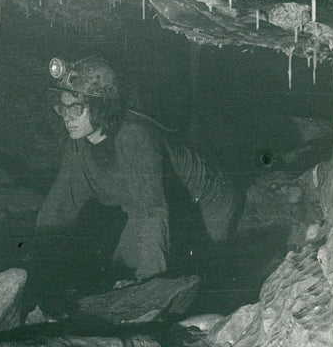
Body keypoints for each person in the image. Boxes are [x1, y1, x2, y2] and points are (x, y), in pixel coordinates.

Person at [37, 56, 239, 286]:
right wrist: (39, 266)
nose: (66, 117)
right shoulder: (78, 143)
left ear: (101, 107)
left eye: (76, 108)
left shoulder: (138, 139)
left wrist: (147, 286)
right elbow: (57, 208)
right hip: (145, 204)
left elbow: (153, 213)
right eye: (62, 107)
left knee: (201, 270)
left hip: (207, 201)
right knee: (120, 269)